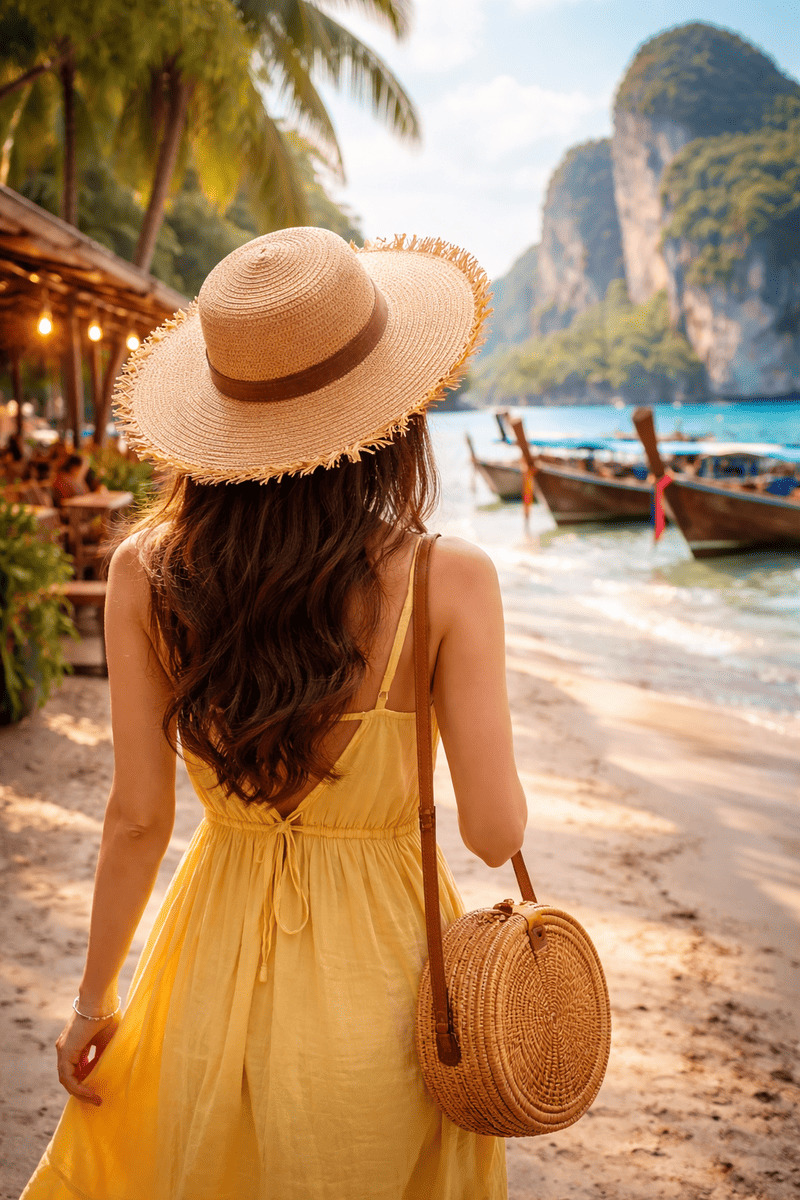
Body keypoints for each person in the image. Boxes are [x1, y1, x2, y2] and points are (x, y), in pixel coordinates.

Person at [20, 228, 528, 1200]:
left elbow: (136, 817)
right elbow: (492, 828)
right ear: (388, 412)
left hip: (203, 971)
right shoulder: (446, 578)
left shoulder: (146, 572)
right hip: (387, 995)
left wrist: (93, 1000)